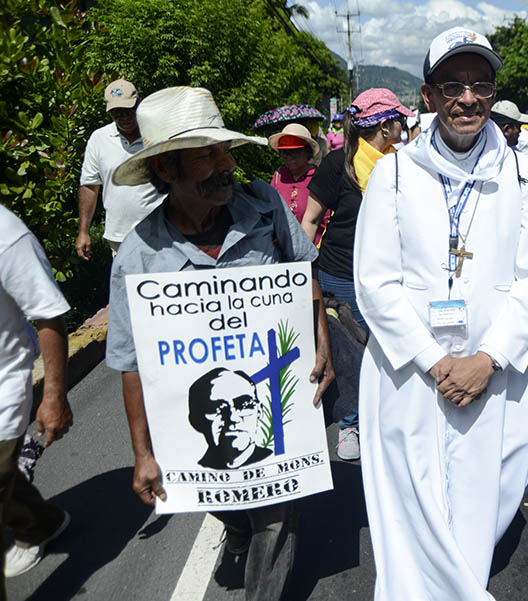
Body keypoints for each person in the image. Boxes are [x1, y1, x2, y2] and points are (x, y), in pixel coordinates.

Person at [105, 86, 335, 601]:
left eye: (225, 150)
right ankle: (234, 523)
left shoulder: (265, 206)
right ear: (166, 170)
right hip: (197, 435)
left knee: (276, 519)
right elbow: (130, 362)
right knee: (223, 494)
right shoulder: (139, 256)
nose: (226, 164)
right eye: (208, 155)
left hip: (277, 408)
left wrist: (322, 344)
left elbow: (305, 276)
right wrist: (143, 454)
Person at [354, 26, 528, 600]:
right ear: (428, 95)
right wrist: (435, 359)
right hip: (410, 367)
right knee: (410, 497)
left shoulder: (521, 174)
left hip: (499, 368)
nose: (468, 98)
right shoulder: (394, 173)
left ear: (492, 94)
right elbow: (375, 280)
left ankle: (460, 585)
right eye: (453, 85)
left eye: (480, 85)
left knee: (486, 491)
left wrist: (487, 359)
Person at [301, 88, 413, 462]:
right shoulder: (339, 164)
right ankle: (350, 424)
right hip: (340, 275)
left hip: (391, 276)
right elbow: (311, 221)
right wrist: (300, 277)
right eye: (400, 119)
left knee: (389, 351)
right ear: (385, 126)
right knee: (353, 353)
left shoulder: (404, 164)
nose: (404, 125)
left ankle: (386, 421)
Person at [0, 204, 73, 587]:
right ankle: (40, 523)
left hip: (3, 386)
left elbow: (48, 313)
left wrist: (53, 396)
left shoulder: (6, 233)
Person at [76, 79, 164, 260]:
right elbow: (90, 186)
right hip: (119, 237)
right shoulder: (99, 138)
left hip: (163, 234)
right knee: (126, 287)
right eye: (116, 112)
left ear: (139, 104)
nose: (123, 117)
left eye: (128, 110)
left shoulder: (159, 135)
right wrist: (83, 231)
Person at [188, 368, 272, 470]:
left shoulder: (272, 458)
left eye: (244, 405)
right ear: (196, 420)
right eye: (217, 408)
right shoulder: (192, 468)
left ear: (259, 411)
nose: (233, 418)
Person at [267, 123, 328, 245]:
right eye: (284, 152)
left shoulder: (319, 176)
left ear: (307, 152)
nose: (288, 157)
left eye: (294, 151)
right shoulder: (279, 175)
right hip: (282, 248)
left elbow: (327, 220)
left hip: (314, 249)